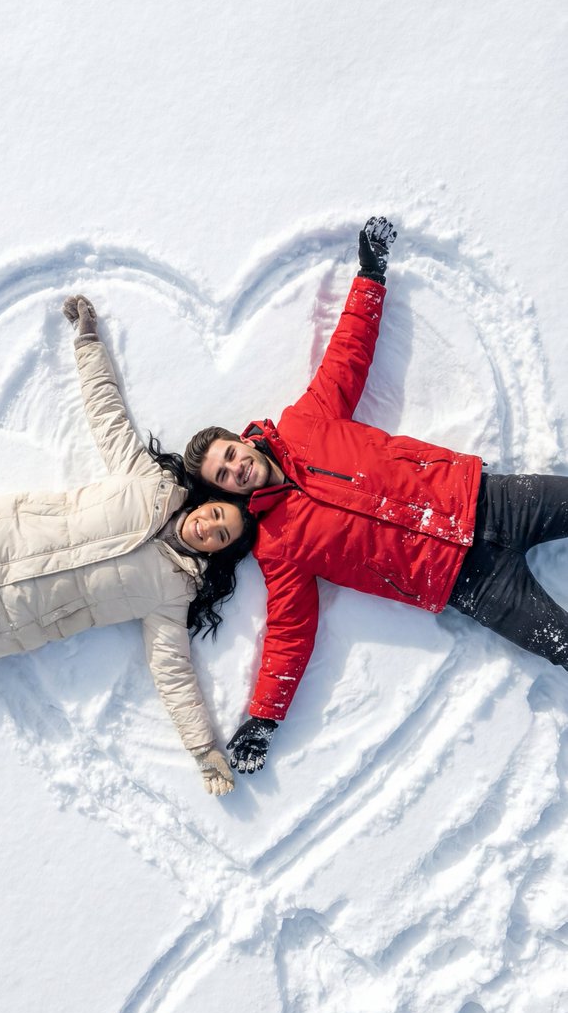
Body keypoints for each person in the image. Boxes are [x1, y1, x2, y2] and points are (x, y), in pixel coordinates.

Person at [184, 217, 568, 774]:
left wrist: (371, 275)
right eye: (224, 476)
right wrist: (264, 718)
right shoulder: (276, 544)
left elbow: (347, 355)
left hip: (487, 500)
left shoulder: (306, 422)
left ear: (240, 439)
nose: (237, 469)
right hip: (469, 583)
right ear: (226, 490)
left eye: (230, 454)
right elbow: (291, 630)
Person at [0, 295, 257, 796]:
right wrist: (88, 341)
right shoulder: (148, 481)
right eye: (217, 516)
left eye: (221, 538)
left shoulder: (174, 593)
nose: (211, 529)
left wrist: (203, 750)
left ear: (218, 552)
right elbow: (107, 415)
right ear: (205, 503)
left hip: (1, 613)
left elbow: (173, 675)